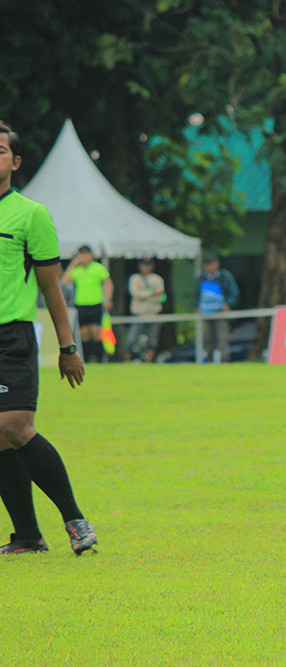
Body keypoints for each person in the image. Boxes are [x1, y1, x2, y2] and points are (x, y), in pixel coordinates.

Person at [0, 120, 98, 555]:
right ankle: (26, 537)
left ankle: (75, 520)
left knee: (14, 425)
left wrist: (68, 346)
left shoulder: (31, 214)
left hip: (12, 336)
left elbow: (51, 286)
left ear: (15, 162)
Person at [61, 244, 113, 362]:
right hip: (81, 304)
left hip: (95, 303)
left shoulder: (98, 268)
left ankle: (100, 360)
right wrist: (73, 263)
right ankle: (88, 359)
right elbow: (65, 281)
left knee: (96, 332)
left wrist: (108, 299)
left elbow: (108, 283)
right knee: (83, 333)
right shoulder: (77, 270)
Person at [194, 254, 239, 363]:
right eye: (208, 264)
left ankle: (224, 362)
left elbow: (234, 292)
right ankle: (208, 362)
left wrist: (228, 304)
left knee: (222, 339)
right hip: (206, 313)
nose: (211, 266)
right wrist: (196, 306)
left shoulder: (225, 276)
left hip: (221, 313)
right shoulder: (202, 278)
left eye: (212, 263)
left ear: (217, 264)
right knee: (208, 340)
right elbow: (197, 294)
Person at [124, 257, 165, 363]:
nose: (146, 267)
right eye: (144, 265)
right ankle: (127, 362)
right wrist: (152, 292)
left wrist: (144, 293)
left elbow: (161, 296)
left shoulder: (157, 279)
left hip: (153, 313)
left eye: (148, 265)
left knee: (152, 341)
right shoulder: (135, 279)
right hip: (139, 314)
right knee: (131, 340)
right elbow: (136, 294)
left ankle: (148, 363)